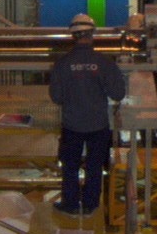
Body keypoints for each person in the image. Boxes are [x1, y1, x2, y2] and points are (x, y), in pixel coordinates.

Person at [49, 12, 128, 216]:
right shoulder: (104, 62)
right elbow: (118, 93)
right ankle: (91, 204)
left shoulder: (62, 63)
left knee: (70, 167)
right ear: (92, 34)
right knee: (95, 167)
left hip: (72, 125)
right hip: (98, 125)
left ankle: (71, 205)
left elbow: (56, 97)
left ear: (72, 36)